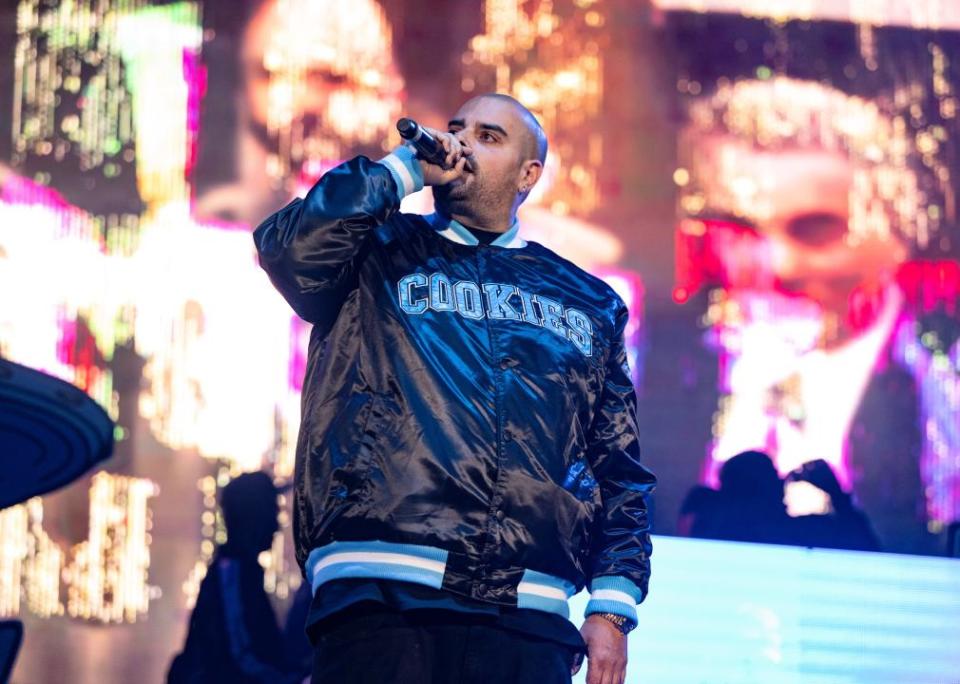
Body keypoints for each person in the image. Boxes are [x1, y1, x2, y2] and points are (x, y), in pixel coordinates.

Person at [254, 93, 657, 684]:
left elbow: (617, 466)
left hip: (528, 616)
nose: (464, 144)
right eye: (457, 129)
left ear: (529, 175)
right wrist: (403, 171)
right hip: (382, 594)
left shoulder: (589, 303)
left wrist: (613, 606)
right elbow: (288, 250)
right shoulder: (374, 251)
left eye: (490, 137)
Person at [167, 472, 301, 684]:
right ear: (254, 516)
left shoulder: (237, 572)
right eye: (272, 512)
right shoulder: (232, 575)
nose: (276, 526)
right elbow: (240, 654)